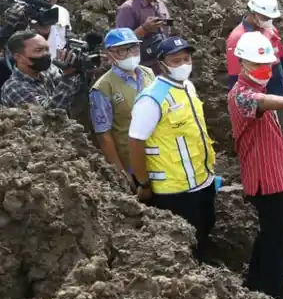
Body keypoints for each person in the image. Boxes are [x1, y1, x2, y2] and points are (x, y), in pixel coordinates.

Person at [228, 31, 283, 299]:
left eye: (268, 66)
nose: (265, 70)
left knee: (269, 234)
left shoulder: (258, 91)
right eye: (259, 65)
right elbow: (259, 103)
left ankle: (255, 282)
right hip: (265, 179)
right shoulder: (241, 95)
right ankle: (278, 293)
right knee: (277, 240)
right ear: (242, 63)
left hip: (275, 175)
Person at [127, 36, 217, 263]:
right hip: (174, 188)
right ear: (162, 64)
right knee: (185, 242)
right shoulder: (151, 99)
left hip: (201, 179)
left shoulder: (188, 86)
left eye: (186, 59)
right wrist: (144, 183)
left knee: (205, 228)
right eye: (176, 60)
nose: (183, 64)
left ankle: (206, 267)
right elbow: (135, 142)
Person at [89, 28, 156, 184]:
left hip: (160, 155)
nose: (130, 54)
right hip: (132, 161)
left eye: (133, 48)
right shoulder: (103, 88)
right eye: (121, 51)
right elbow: (103, 135)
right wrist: (121, 173)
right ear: (109, 54)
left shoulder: (148, 74)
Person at [225, 0, 283, 99]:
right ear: (252, 13)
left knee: (278, 113)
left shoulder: (270, 29)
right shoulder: (237, 38)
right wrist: (237, 100)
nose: (269, 21)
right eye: (265, 17)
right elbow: (235, 74)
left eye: (271, 18)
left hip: (276, 85)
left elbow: (280, 52)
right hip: (254, 93)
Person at [0, 30, 84, 109]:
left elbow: (69, 91)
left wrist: (76, 69)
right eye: (38, 50)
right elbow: (48, 114)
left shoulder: (44, 73)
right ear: (19, 57)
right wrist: (68, 75)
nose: (47, 54)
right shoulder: (13, 88)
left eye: (47, 49)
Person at [115, 0, 172, 74]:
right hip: (141, 69)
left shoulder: (161, 5)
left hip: (162, 65)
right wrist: (144, 29)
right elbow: (120, 44)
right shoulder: (128, 9)